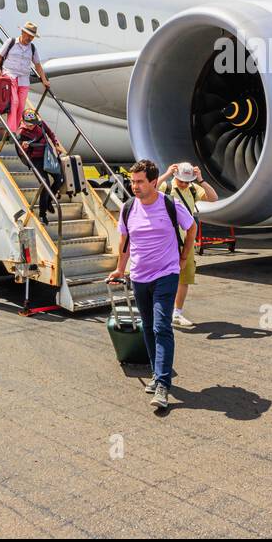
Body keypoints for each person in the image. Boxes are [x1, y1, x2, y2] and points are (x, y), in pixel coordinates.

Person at [108, 159, 196, 411]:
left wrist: (183, 256)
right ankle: (157, 373)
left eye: (139, 182)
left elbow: (191, 228)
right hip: (138, 276)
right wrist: (119, 269)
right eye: (132, 181)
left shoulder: (170, 204)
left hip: (166, 274)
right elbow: (124, 242)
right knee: (147, 326)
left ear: (154, 181)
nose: (134, 186)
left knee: (161, 326)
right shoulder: (127, 208)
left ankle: (162, 385)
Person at [158, 161, 219, 330]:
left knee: (184, 277)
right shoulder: (166, 186)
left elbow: (213, 198)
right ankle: (161, 311)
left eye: (187, 181)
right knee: (163, 277)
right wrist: (167, 174)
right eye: (181, 180)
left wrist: (200, 180)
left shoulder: (193, 188)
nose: (184, 183)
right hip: (167, 240)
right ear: (175, 176)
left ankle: (176, 313)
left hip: (187, 240)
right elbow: (150, 190)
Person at [0, 21, 51, 132]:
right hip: (10, 75)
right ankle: (11, 131)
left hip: (24, 80)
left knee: (21, 106)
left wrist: (44, 80)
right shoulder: (11, 42)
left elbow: (38, 65)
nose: (30, 38)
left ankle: (14, 129)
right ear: (22, 32)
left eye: (32, 36)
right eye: (28, 35)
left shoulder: (32, 48)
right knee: (14, 102)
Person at [16, 110, 65, 222]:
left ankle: (48, 201)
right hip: (35, 160)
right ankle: (42, 214)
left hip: (47, 156)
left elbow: (51, 133)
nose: (32, 126)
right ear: (24, 122)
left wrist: (56, 145)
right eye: (29, 124)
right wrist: (24, 147)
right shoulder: (21, 133)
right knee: (45, 183)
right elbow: (20, 152)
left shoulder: (40, 123)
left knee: (59, 179)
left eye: (33, 123)